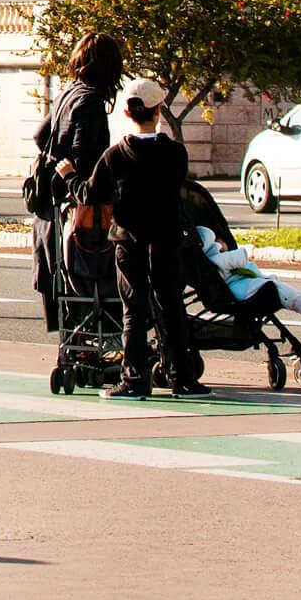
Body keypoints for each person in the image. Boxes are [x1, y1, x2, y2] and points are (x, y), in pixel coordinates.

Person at [88, 77, 205, 398]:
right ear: (159, 110)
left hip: (129, 240)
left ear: (127, 114)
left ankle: (134, 378)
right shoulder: (176, 155)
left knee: (133, 309)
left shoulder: (115, 157)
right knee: (171, 306)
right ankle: (182, 376)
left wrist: (69, 175)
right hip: (166, 239)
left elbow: (92, 194)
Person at [28, 31, 124, 329]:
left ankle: (76, 343)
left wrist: (56, 159)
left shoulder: (68, 92)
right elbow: (83, 156)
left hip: (50, 202)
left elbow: (40, 135)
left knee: (63, 274)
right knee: (90, 270)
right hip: (77, 205)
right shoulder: (91, 101)